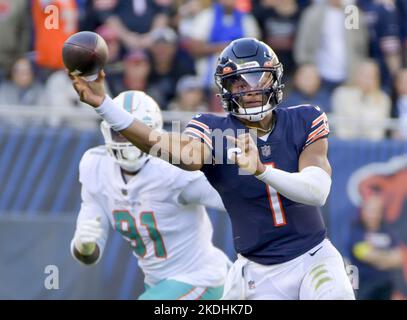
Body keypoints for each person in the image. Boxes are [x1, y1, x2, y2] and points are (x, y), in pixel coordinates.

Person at [69, 37, 355, 300]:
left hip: (313, 257)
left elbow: (317, 191)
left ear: (275, 79)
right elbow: (181, 153)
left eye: (258, 78)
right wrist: (104, 105)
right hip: (256, 273)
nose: (251, 89)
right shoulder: (213, 128)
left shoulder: (305, 118)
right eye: (239, 83)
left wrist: (261, 171)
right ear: (225, 90)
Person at [71, 90, 230, 300]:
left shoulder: (171, 170)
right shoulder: (96, 166)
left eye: (136, 132)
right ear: (106, 131)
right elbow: (89, 254)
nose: (129, 139)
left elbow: (232, 196)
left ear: (153, 133)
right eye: (120, 131)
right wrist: (83, 245)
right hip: (159, 286)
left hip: (200, 279)